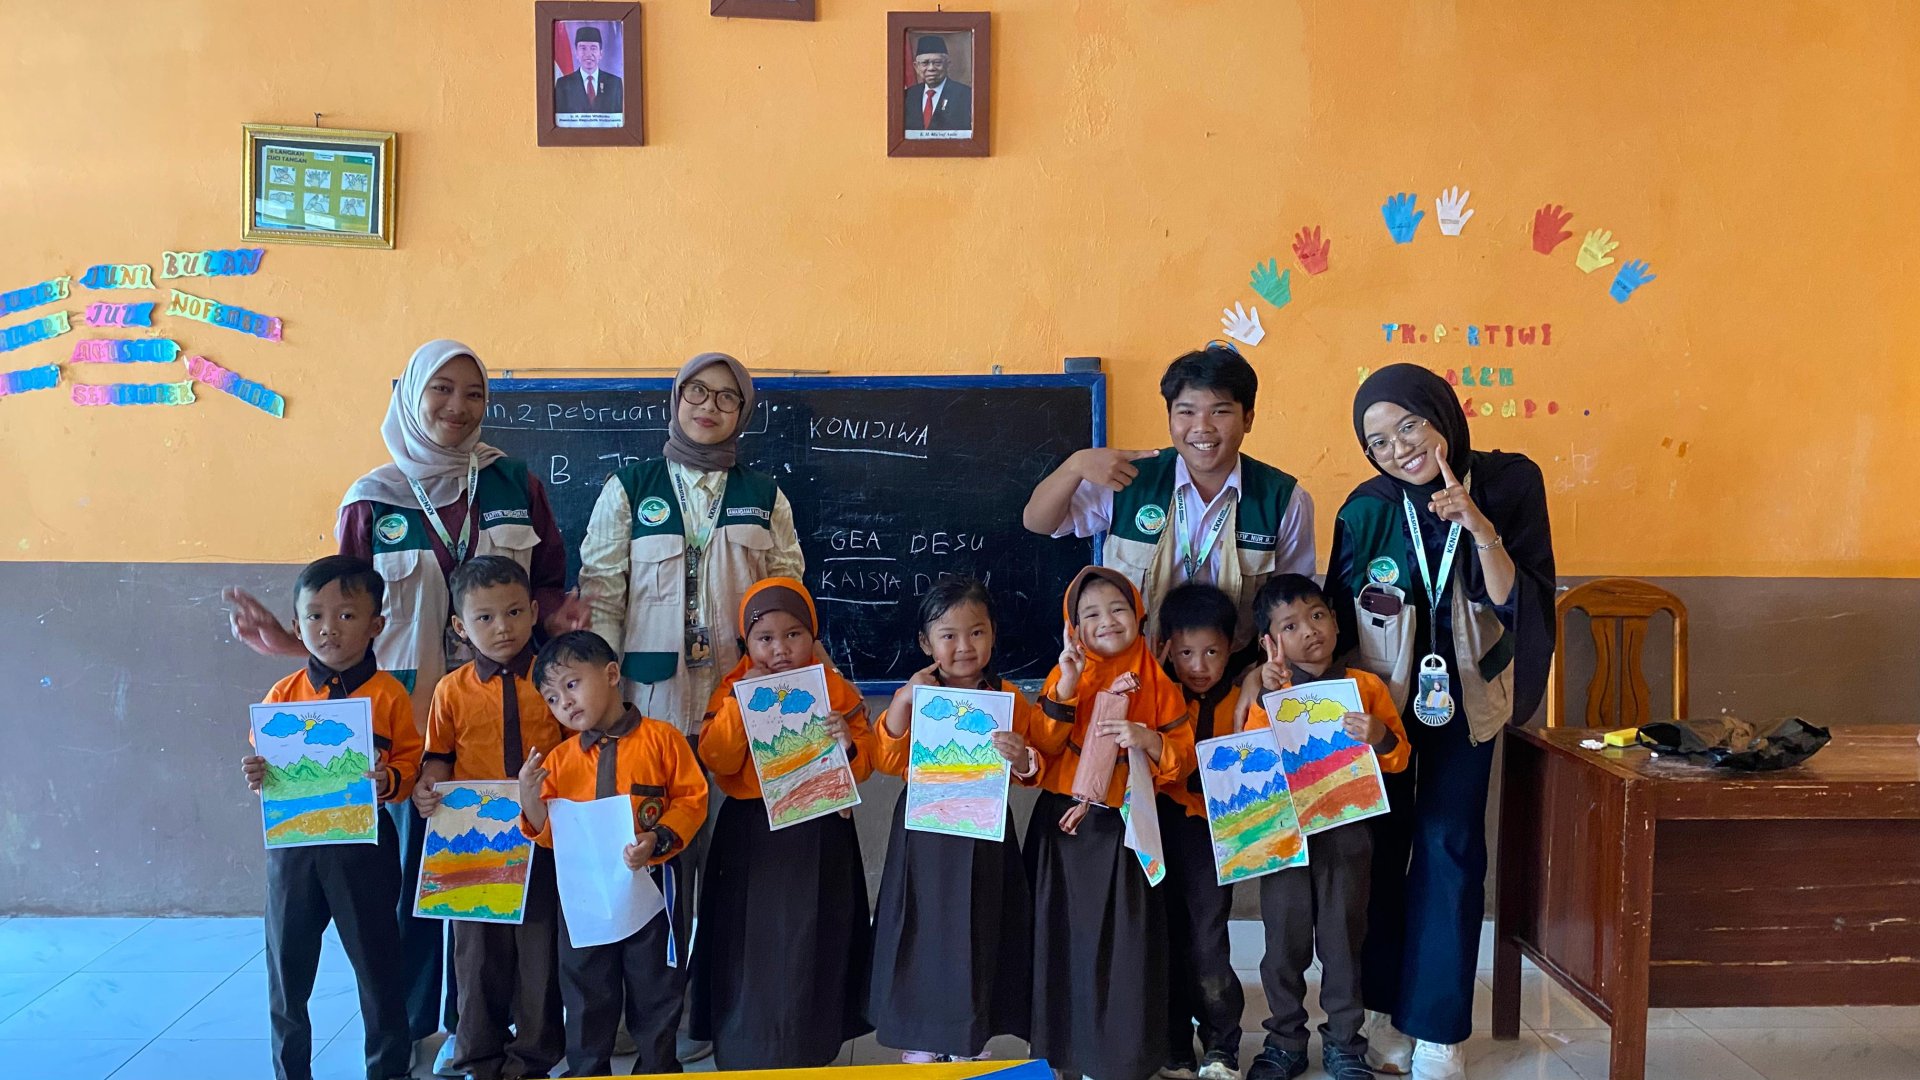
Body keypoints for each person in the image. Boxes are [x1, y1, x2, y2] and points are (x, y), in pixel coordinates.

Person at [226, 339, 587, 1072]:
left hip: (507, 721)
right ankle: (420, 1023)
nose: (457, 408)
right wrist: (290, 643)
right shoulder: (372, 498)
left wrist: (556, 617)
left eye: (473, 394)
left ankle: (491, 1025)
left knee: (508, 880)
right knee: (419, 884)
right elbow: (347, 616)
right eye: (441, 392)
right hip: (400, 728)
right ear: (412, 397)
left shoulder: (514, 481)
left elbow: (549, 580)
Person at [1330, 364, 1556, 1080]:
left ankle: (1438, 1027)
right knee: (1382, 841)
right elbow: (1334, 621)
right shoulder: (1365, 508)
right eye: (1378, 439)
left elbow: (1524, 602)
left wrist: (1480, 528)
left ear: (1443, 418)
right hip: (1383, 706)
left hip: (1468, 697)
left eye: (1409, 426)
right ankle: (1381, 1007)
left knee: (1449, 844)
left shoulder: (1511, 482)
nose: (1397, 448)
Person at [577, 350, 803, 1063]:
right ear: (674, 400)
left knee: (727, 869)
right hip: (650, 708)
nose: (709, 407)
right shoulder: (629, 488)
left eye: (727, 399)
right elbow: (602, 594)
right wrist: (602, 701)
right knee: (648, 869)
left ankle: (705, 1009)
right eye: (696, 393)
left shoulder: (763, 494)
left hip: (742, 713)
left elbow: (786, 593)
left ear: (744, 413)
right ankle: (642, 1022)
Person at [1022, 344, 1316, 667]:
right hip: (1134, 673)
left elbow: (1293, 607)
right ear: (1170, 417)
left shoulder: (1285, 498)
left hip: (1234, 676)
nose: (1202, 427)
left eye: (1219, 411)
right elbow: (1038, 521)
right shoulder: (1130, 478)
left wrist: (1260, 678)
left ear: (1248, 418)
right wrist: (1074, 466)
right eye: (1186, 412)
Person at [241, 556, 421, 1080]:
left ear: (376, 625)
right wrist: (256, 772)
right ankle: (289, 1070)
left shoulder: (388, 695)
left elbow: (409, 761)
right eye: (315, 616)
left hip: (364, 851)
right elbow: (266, 763)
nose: (329, 629)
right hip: (293, 853)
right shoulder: (283, 695)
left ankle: (388, 1069)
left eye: (346, 616)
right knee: (287, 972)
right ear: (296, 627)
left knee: (378, 968)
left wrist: (391, 781)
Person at [692, 577, 877, 1069]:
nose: (780, 649)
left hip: (819, 831)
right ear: (746, 644)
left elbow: (865, 764)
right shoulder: (731, 690)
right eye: (765, 639)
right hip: (751, 835)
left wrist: (848, 743)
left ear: (812, 637)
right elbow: (718, 759)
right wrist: (740, 706)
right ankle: (745, 1043)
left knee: (813, 936)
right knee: (748, 942)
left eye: (794, 635)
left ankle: (810, 1042)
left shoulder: (834, 688)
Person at [1026, 566, 1196, 1080]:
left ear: (1139, 614)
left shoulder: (1158, 681)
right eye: (1090, 614)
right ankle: (1064, 1053)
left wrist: (1148, 740)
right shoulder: (1065, 675)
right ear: (1072, 628)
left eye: (1118, 609)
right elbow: (1044, 745)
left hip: (1126, 831)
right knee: (1064, 941)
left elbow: (1182, 758)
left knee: (1125, 947)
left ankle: (1119, 1058)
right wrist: (1071, 684)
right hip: (1065, 831)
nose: (1107, 622)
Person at [1240, 573, 1411, 1080]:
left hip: (1347, 837)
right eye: (1290, 625)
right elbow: (1251, 759)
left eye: (1317, 616)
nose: (1310, 631)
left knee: (1343, 943)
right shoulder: (1271, 692)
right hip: (1286, 842)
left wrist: (1379, 735)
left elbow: (1399, 759)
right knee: (1283, 945)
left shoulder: (1364, 688)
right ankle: (1284, 1041)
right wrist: (1264, 700)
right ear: (1270, 643)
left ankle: (1344, 1044)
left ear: (1336, 622)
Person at [517, 630, 709, 1078]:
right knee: (585, 988)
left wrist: (657, 839)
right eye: (551, 697)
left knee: (655, 987)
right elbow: (547, 834)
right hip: (586, 894)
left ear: (611, 674)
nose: (563, 702)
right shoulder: (560, 760)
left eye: (571, 684)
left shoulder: (663, 740)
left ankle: (657, 1066)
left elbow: (692, 798)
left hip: (654, 889)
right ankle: (587, 1069)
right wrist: (528, 796)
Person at [870, 578, 1039, 1064]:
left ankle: (969, 1039)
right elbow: (885, 758)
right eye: (948, 635)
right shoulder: (919, 693)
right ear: (927, 643)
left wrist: (1022, 758)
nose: (964, 646)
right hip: (925, 832)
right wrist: (902, 700)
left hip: (985, 832)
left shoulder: (1008, 697)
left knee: (980, 927)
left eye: (977, 633)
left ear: (992, 635)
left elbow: (1031, 771)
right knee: (920, 927)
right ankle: (921, 1041)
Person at [414, 557, 567, 1080]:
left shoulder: (556, 680)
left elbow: (576, 746)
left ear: (534, 612)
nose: (502, 627)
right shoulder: (450, 691)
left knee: (538, 952)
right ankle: (478, 1054)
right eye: (484, 618)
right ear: (460, 626)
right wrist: (427, 786)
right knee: (476, 954)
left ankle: (534, 1057)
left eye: (514, 612)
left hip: (540, 832)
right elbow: (438, 756)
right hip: (472, 840)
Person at [1151, 583, 1246, 1080]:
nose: (1199, 665)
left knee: (1208, 941)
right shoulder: (1156, 698)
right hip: (1163, 828)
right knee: (1164, 937)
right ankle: (1173, 1044)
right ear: (1166, 647)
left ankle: (1221, 1044)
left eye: (1212, 651)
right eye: (1186, 652)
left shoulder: (1245, 700)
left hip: (1217, 833)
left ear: (1232, 646)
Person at [902, 34, 973, 131]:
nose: (931, 68)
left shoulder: (966, 95)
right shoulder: (907, 96)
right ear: (916, 67)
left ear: (947, 64)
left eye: (937, 63)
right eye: (925, 63)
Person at [553, 26, 624, 114]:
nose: (588, 54)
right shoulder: (563, 84)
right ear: (576, 53)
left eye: (593, 48)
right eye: (583, 48)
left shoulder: (615, 83)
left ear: (600, 53)